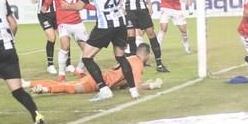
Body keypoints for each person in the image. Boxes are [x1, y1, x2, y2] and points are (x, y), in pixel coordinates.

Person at [62, 0, 138, 101]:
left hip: (105, 26)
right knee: (121, 57)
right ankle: (134, 90)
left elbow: (80, 5)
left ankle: (104, 89)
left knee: (87, 58)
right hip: (120, 23)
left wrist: (66, 6)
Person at [23, 44, 162, 94]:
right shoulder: (138, 63)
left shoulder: (130, 58)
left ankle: (29, 84)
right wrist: (151, 85)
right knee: (71, 89)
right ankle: (45, 88)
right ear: (147, 55)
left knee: (66, 85)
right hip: (98, 82)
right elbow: (136, 86)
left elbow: (119, 75)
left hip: (99, 78)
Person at [41, 0, 92, 80]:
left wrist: (96, 8)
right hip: (63, 23)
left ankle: (79, 70)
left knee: (87, 49)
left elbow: (83, 3)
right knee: (65, 46)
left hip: (78, 22)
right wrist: (45, 6)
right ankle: (61, 74)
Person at [29, 0, 61, 74]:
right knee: (52, 37)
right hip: (44, 13)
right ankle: (50, 64)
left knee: (64, 38)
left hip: (58, 13)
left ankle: (68, 64)